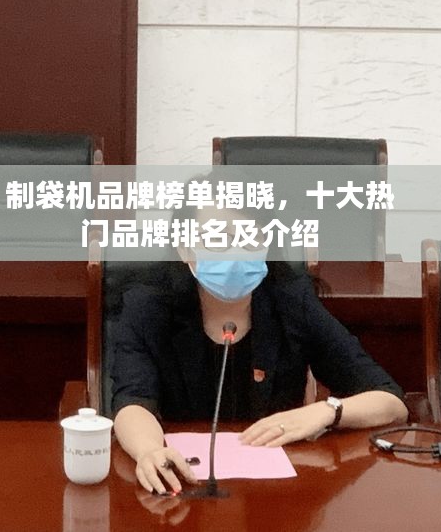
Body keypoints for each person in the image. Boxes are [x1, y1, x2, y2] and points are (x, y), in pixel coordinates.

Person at [111, 191, 408, 495]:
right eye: (218, 239)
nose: (235, 253)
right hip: (183, 486)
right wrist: (149, 451)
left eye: (250, 238)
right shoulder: (149, 307)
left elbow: (390, 401)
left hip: (277, 491)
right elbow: (132, 402)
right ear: (185, 248)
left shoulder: (292, 302)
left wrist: (327, 411)